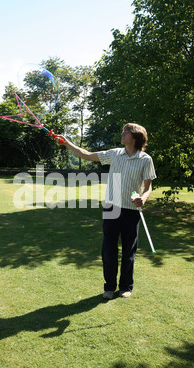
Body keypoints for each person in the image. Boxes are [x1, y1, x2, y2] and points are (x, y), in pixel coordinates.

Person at [55, 123, 156, 300]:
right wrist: (66, 143)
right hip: (112, 208)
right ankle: (109, 287)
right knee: (108, 250)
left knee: (128, 252)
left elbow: (148, 187)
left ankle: (126, 286)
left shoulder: (145, 159)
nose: (122, 134)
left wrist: (144, 198)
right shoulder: (115, 153)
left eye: (126, 132)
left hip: (132, 210)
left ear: (136, 137)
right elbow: (86, 155)